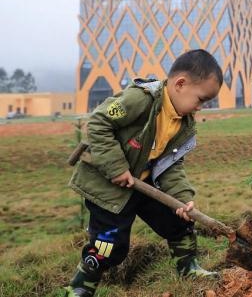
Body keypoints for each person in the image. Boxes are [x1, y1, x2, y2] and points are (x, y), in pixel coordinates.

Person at [64, 49, 223, 297]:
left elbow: (171, 164)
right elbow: (98, 123)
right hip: (110, 188)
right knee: (109, 245)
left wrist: (182, 198)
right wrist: (117, 167)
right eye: (201, 99)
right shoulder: (142, 99)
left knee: (179, 221)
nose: (200, 108)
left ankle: (188, 267)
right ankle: (81, 285)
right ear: (180, 84)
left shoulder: (184, 122)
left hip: (145, 185)